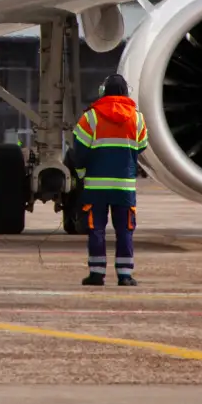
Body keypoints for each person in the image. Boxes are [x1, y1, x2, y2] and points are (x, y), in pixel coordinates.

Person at [67, 72, 149, 287]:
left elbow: (79, 151)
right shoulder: (137, 117)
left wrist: (82, 173)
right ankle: (125, 275)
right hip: (124, 187)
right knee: (125, 231)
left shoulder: (91, 117)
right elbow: (142, 146)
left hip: (96, 187)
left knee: (96, 230)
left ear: (102, 92)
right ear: (126, 92)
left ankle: (96, 273)